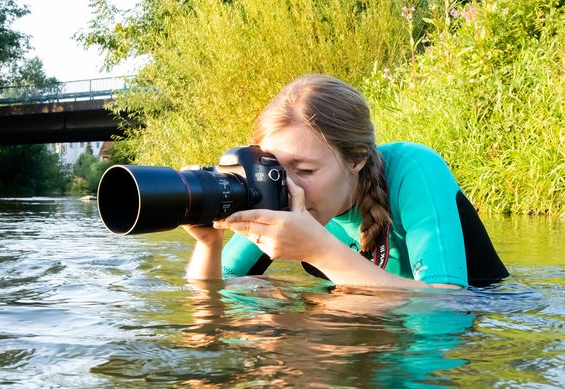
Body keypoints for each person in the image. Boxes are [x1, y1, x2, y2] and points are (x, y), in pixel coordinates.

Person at [185, 74, 508, 288]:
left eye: (306, 171)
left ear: (357, 158)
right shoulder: (277, 195)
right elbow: (213, 294)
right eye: (275, 170)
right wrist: (208, 244)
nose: (289, 188)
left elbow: (445, 303)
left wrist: (318, 250)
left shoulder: (413, 168)